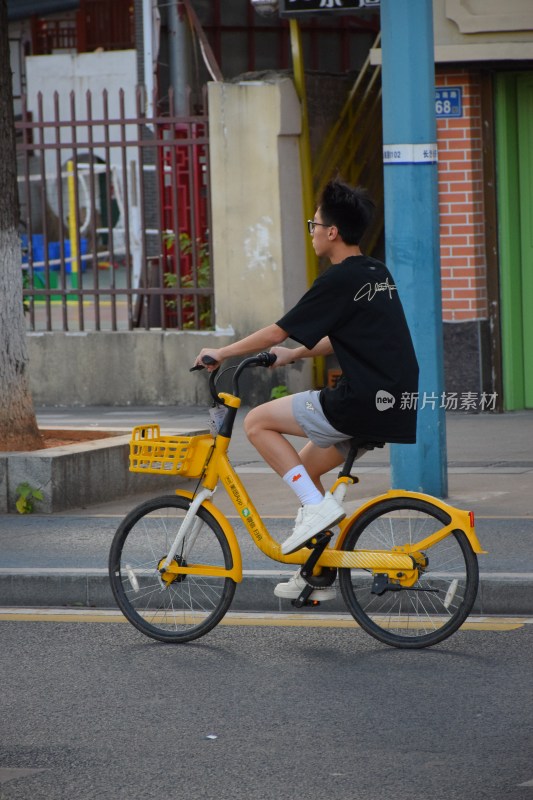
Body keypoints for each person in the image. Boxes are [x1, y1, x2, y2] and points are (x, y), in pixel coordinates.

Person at [194, 179, 419, 601]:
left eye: (314, 224)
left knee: (259, 422)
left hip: (361, 399)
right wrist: (293, 355)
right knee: (307, 472)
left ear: (332, 231)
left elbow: (276, 328)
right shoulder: (375, 272)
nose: (312, 230)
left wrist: (222, 352)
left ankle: (316, 514)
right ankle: (315, 573)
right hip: (392, 401)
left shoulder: (338, 279)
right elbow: (352, 336)